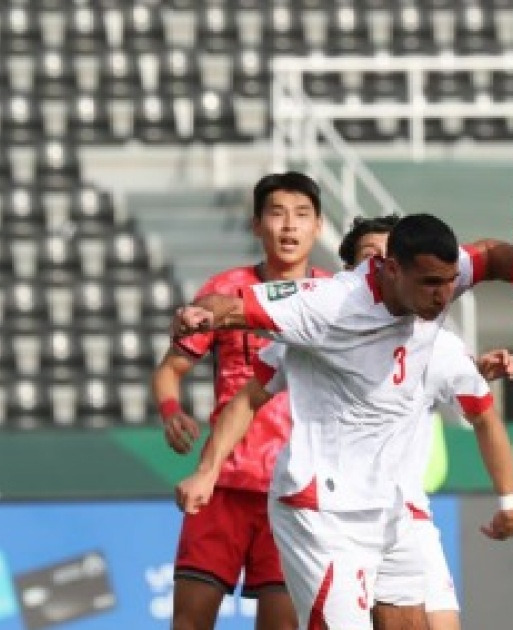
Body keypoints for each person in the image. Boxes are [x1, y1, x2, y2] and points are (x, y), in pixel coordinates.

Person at [172, 214, 504, 630]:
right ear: (380, 268)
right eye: (371, 255)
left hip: (399, 507)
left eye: (448, 282)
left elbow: (493, 257)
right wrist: (201, 315)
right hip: (324, 508)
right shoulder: (325, 311)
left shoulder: (431, 311)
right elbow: (237, 333)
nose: (443, 295)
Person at [151, 171, 329, 630]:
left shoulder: (334, 297)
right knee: (188, 622)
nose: (289, 226)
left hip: (295, 489)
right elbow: (170, 370)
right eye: (277, 213)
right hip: (223, 484)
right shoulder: (226, 292)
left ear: (319, 227)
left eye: (301, 215)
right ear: (256, 225)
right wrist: (172, 411)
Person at [338, 213, 513, 630]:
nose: (382, 265)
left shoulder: (435, 344)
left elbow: (481, 414)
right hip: (337, 518)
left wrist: (472, 368)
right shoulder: (325, 335)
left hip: (407, 515)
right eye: (372, 258)